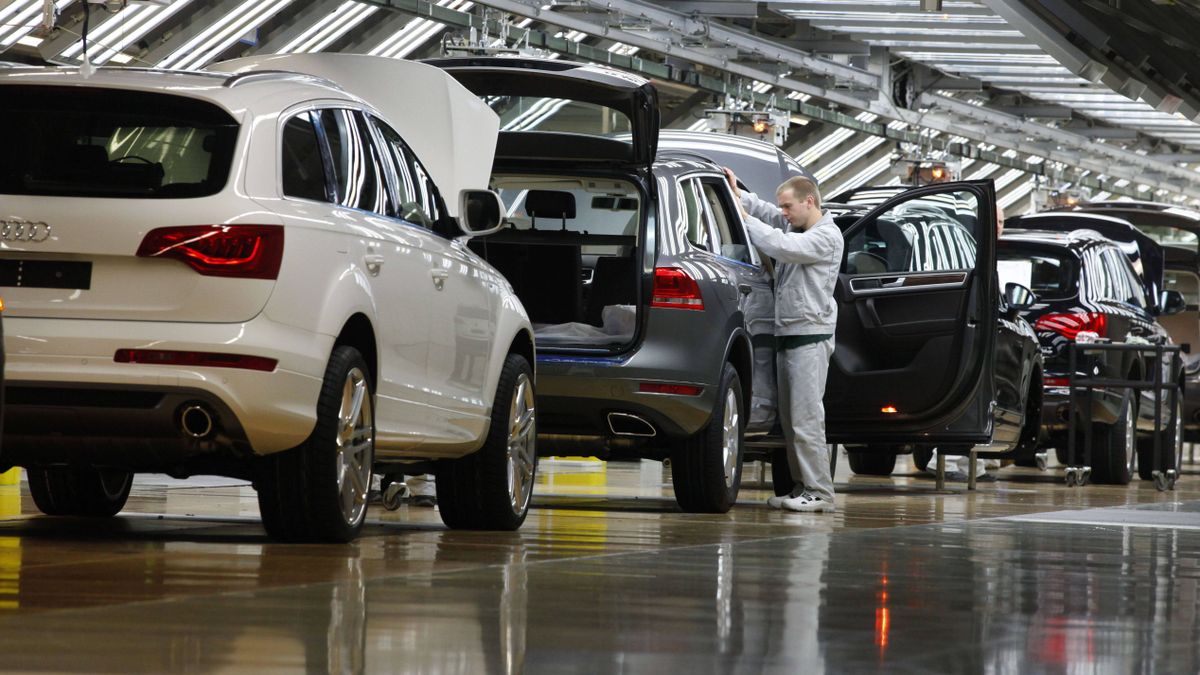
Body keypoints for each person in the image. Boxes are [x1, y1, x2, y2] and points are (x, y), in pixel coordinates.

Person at [725, 169, 843, 513]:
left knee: (806, 419)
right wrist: (738, 194)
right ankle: (800, 487)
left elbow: (782, 246)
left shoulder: (826, 237)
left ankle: (820, 493)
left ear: (810, 201)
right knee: (792, 421)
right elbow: (769, 213)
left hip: (809, 336)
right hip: (788, 333)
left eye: (789, 207)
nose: (785, 214)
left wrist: (744, 218)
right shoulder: (799, 222)